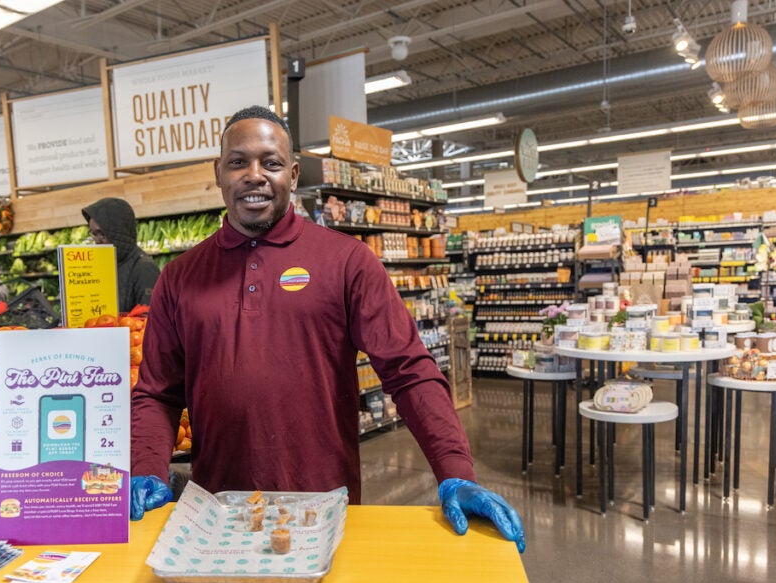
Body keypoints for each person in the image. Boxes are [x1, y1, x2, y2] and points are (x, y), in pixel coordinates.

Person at [129, 105, 524, 551]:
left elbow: (409, 371)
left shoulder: (347, 262)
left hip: (325, 508)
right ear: (218, 173)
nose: (254, 174)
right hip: (216, 511)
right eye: (238, 161)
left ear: (293, 175)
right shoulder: (180, 277)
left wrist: (455, 472)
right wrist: (146, 465)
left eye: (271, 162)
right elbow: (157, 392)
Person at [81, 197, 161, 313]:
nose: (97, 241)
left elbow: (150, 320)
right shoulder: (106, 266)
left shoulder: (144, 269)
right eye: (94, 234)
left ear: (118, 232)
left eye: (101, 234)